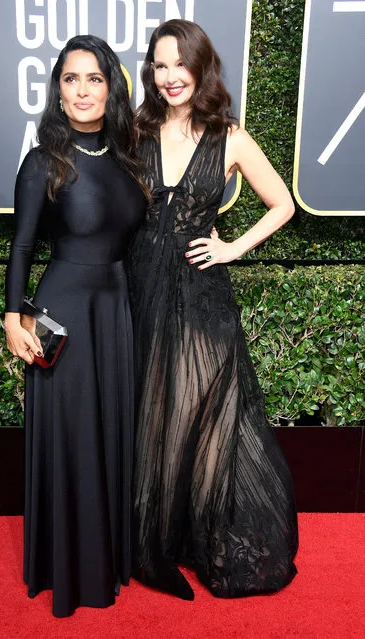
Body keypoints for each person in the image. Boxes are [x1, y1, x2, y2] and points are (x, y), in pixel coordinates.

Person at [127, 19, 299, 601]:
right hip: (140, 288)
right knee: (149, 416)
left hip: (202, 298)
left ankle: (195, 540)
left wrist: (232, 246)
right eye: (159, 64)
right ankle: (154, 543)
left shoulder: (230, 136)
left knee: (200, 419)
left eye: (181, 63)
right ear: (149, 72)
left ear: (201, 66)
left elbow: (282, 204)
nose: (170, 76)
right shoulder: (135, 130)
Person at [4, 35, 147, 617]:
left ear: (111, 86)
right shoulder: (44, 160)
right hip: (63, 310)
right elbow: (20, 247)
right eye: (70, 78)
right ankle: (69, 568)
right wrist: (14, 317)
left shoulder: (126, 158)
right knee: (72, 439)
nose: (82, 89)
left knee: (109, 433)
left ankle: (108, 557)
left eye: (94, 78)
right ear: (57, 90)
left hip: (115, 311)